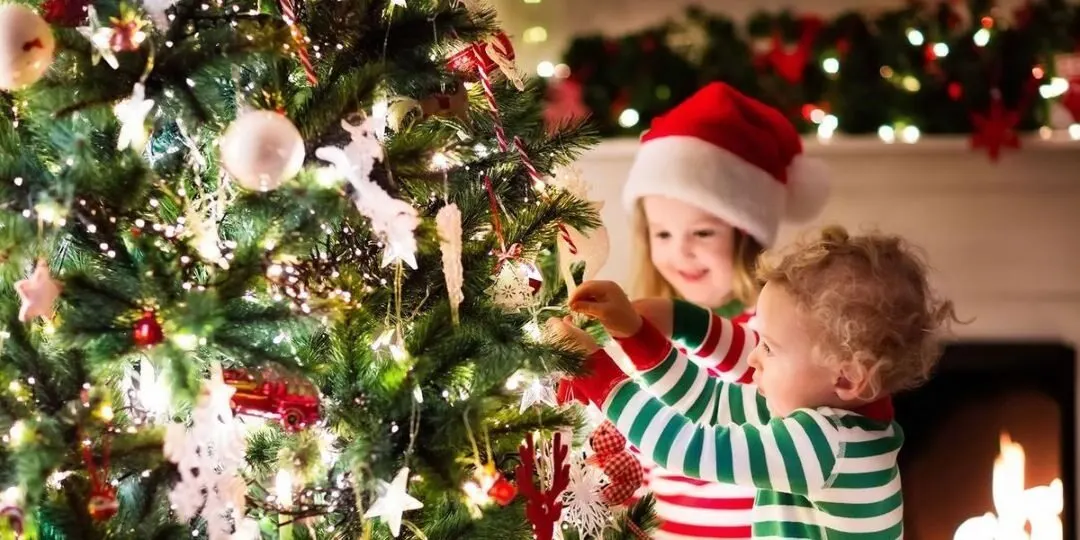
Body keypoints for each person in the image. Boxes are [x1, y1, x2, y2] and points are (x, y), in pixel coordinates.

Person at [555, 226, 959, 538]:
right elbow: (710, 404)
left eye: (769, 346)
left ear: (849, 376)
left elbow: (688, 447)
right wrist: (638, 333)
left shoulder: (826, 447)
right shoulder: (833, 413)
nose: (753, 357)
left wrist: (597, 373)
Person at [559, 81, 830, 539]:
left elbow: (735, 413)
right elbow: (639, 450)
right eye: (663, 235)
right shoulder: (641, 331)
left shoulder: (773, 331)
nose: (680, 252)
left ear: (746, 235)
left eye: (702, 233)